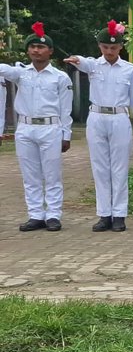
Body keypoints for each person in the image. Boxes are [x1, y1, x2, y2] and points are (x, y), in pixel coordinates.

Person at [62, 20, 133, 232]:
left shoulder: (130, 69)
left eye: (114, 47)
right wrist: (76, 59)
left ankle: (119, 214)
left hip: (119, 118)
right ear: (100, 47)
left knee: (119, 168)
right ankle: (104, 214)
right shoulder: (94, 65)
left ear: (120, 48)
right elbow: (81, 61)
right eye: (105, 47)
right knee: (100, 168)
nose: (109, 51)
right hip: (97, 117)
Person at [0, 23, 72, 232]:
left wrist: (66, 135)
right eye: (32, 47)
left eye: (40, 47)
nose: (36, 50)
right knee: (30, 175)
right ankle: (35, 215)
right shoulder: (21, 73)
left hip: (50, 128)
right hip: (25, 128)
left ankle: (53, 215)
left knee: (51, 174)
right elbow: (3, 69)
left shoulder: (60, 77)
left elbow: (66, 109)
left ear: (49, 51)